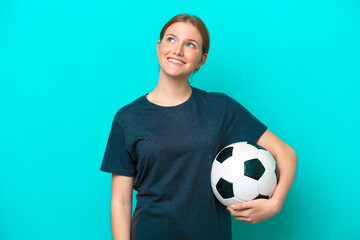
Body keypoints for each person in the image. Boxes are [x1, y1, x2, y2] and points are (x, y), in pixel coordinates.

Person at [100, 13, 298, 240]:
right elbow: (121, 201)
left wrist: (275, 203)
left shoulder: (219, 108)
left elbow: (286, 153)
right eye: (171, 40)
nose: (178, 50)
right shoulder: (127, 118)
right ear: (159, 46)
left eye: (190, 45)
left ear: (201, 59)